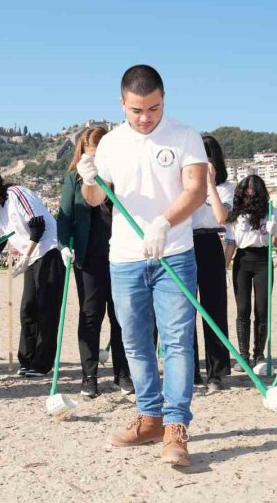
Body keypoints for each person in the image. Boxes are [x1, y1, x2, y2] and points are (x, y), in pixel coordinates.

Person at [79, 65, 208, 466]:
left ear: (163, 100)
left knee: (175, 342)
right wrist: (90, 177)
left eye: (153, 108)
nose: (146, 117)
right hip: (126, 257)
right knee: (133, 341)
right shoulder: (112, 144)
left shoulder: (186, 137)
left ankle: (175, 427)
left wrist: (163, 223)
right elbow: (95, 199)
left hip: (174, 253)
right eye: (137, 110)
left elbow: (197, 191)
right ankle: (149, 417)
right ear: (122, 104)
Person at [57, 126, 132, 398]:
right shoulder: (73, 178)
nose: (94, 162)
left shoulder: (121, 175)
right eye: (89, 157)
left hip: (122, 252)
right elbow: (64, 215)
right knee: (90, 315)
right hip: (89, 255)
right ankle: (89, 376)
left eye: (98, 157)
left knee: (120, 315)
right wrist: (64, 245)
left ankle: (123, 374)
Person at [0, 170, 65, 380]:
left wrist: (26, 256)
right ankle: (27, 360)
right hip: (32, 257)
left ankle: (43, 364)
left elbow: (37, 224)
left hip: (50, 251)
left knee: (46, 310)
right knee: (28, 309)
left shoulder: (15, 194)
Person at [189, 135, 235, 391]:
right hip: (185, 243)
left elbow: (221, 217)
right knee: (185, 309)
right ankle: (190, 370)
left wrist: (209, 183)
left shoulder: (226, 187)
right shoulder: (183, 185)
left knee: (214, 307)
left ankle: (216, 372)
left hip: (210, 243)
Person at [224, 174, 277, 372]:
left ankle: (259, 354)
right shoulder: (235, 215)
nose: (248, 199)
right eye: (245, 195)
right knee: (242, 309)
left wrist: (274, 232)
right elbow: (231, 243)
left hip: (263, 260)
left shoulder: (271, 212)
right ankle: (243, 355)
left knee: (262, 309)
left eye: (252, 196)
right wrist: (224, 266)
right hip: (242, 260)